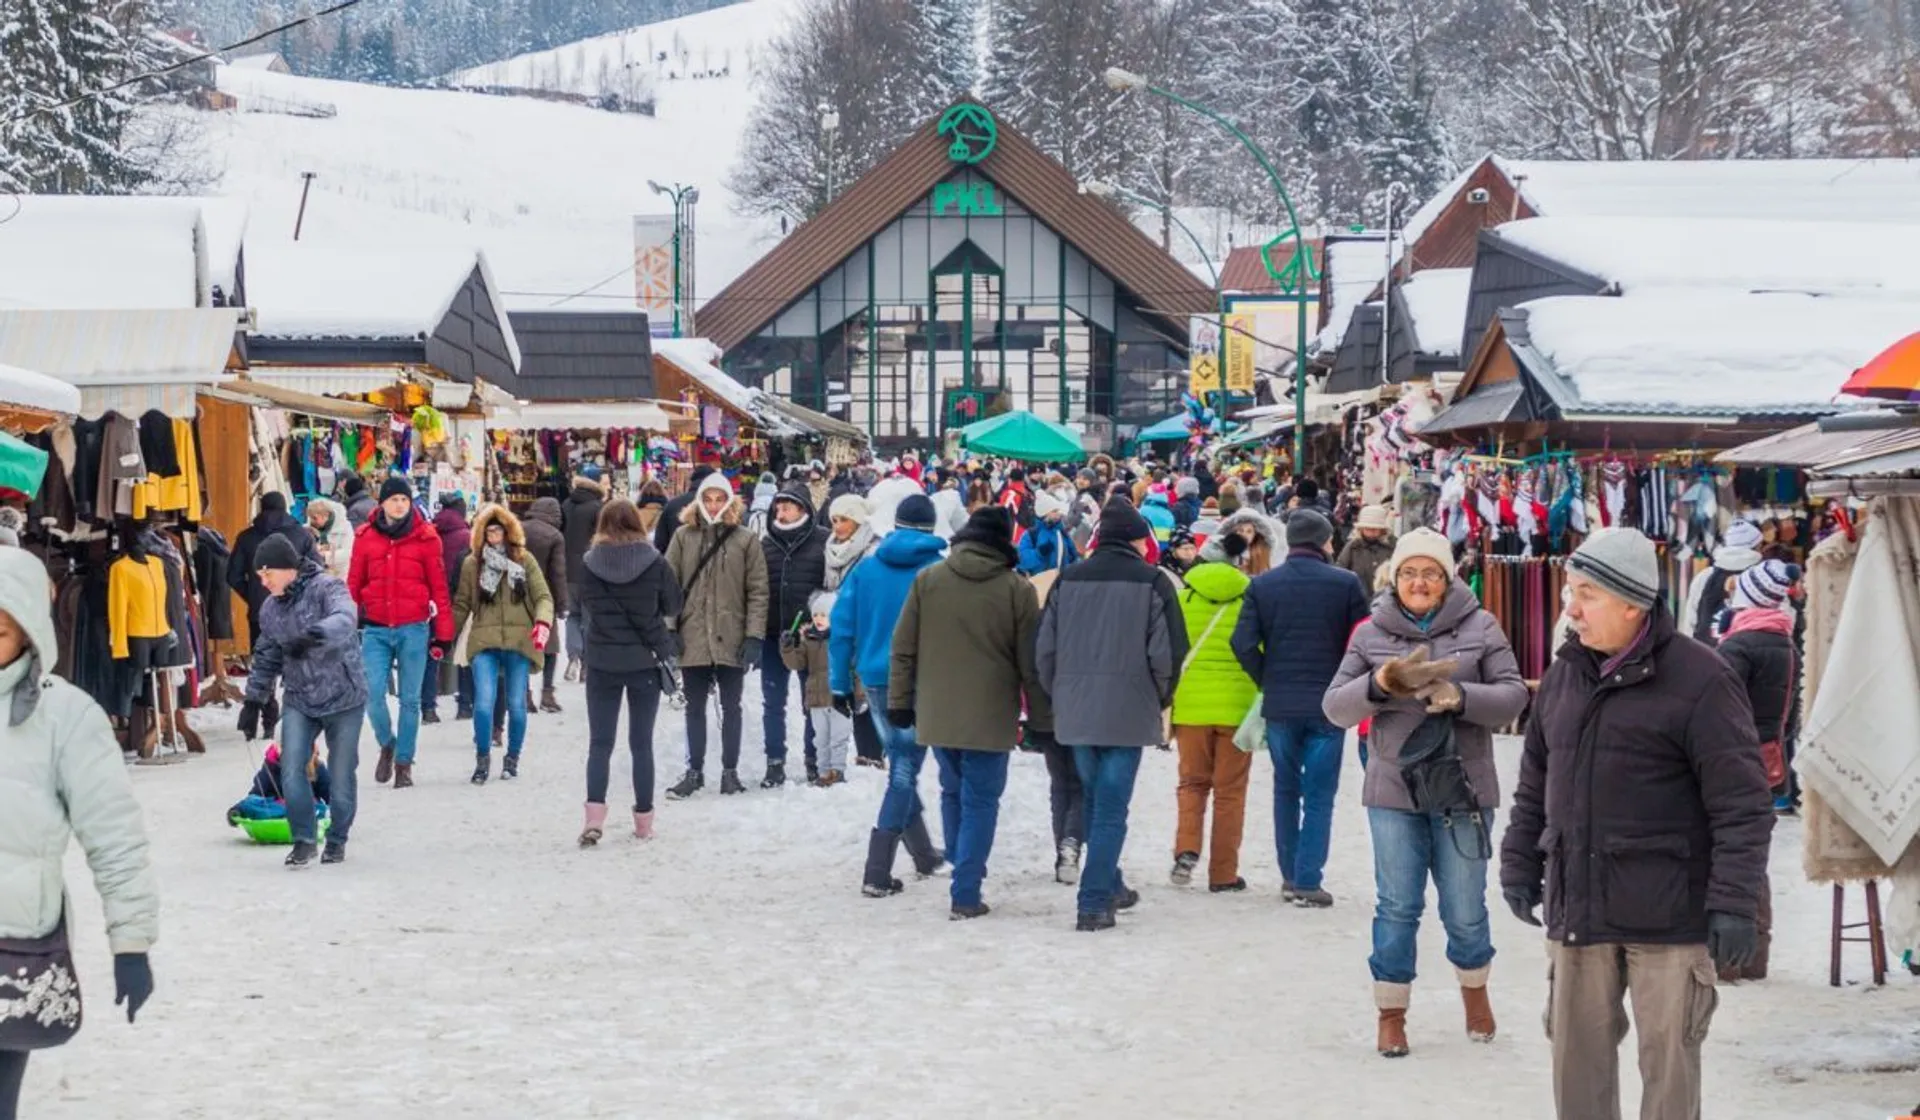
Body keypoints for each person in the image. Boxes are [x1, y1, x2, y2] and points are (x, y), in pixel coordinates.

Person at [1500, 528, 1773, 1120]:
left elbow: (1743, 804)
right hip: (1581, 909)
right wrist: (1521, 863)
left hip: (1668, 918)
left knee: (1669, 1072)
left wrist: (1733, 901)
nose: (1570, 608)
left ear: (1633, 603)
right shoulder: (1565, 674)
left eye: (1587, 594)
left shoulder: (1703, 679)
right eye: (1570, 591)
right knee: (1577, 1068)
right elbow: (1534, 783)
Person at [1322, 528, 1529, 1057]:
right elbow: (1334, 708)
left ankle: (1475, 988)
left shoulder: (1481, 626)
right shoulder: (1369, 634)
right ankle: (1391, 1012)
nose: (1419, 582)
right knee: (1397, 904)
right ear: (1394, 577)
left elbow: (1511, 697)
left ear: (1447, 579)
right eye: (1410, 572)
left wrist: (1460, 696)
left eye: (1430, 573)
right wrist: (1380, 685)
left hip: (1463, 786)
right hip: (1394, 787)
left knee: (1463, 905)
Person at [0, 549, 158, 1115]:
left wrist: (131, 943)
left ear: (29, 634)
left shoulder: (65, 718)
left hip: (12, 947)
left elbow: (113, 836)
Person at [888, 506, 1051, 920]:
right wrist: (1040, 719)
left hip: (937, 710)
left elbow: (904, 648)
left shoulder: (929, 580)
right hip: (991, 711)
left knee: (952, 790)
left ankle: (962, 872)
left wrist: (900, 702)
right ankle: (966, 889)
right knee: (982, 800)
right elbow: (1030, 664)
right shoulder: (1017, 589)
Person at [1036, 501, 1185, 931]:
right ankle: (1093, 901)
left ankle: (1112, 883)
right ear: (1138, 541)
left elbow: (1044, 649)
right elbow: (1170, 654)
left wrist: (1060, 692)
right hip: (1128, 706)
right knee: (1110, 809)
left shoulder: (1067, 579)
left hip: (1077, 707)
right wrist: (1157, 697)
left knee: (1098, 799)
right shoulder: (1155, 582)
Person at [1231, 508, 1370, 907]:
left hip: (1280, 704)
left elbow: (1241, 643)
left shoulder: (1264, 585)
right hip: (1329, 705)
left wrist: (1266, 678)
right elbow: (1362, 640)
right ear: (1324, 541)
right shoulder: (1344, 583)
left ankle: (1291, 875)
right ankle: (1309, 879)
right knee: (1320, 792)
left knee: (1286, 788)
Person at [835, 495, 950, 896]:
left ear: (896, 524)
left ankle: (922, 854)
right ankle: (876, 870)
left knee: (903, 763)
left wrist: (838, 682)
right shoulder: (938, 570)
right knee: (904, 770)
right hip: (922, 678)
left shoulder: (866, 568)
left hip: (874, 678)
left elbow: (841, 626)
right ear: (932, 528)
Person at [238, 533, 367, 866]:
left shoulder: (327, 588)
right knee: (291, 767)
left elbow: (346, 618)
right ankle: (304, 839)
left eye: (268, 574)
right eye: (260, 577)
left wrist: (314, 635)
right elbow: (266, 655)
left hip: (344, 695)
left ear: (287, 568)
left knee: (341, 773)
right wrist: (253, 701)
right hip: (300, 698)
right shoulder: (270, 609)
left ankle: (337, 839)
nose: (264, 583)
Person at [1167, 518, 1267, 894]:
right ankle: (1223, 873)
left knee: (1192, 783)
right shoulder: (1252, 598)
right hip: (1238, 710)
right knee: (1230, 791)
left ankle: (1186, 848)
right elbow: (1260, 649)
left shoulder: (1182, 598)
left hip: (1191, 705)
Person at [1711, 557, 1799, 981]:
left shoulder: (1739, 646)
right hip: (1767, 756)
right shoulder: (1782, 640)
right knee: (1751, 854)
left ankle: (1728, 960)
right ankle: (1756, 954)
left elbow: (1715, 704)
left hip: (1733, 758)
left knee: (1726, 853)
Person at [576, 499, 683, 846]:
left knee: (600, 743)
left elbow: (582, 606)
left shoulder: (590, 564)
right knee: (641, 744)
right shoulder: (655, 562)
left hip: (603, 661)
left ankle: (594, 818)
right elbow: (674, 605)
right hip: (643, 663)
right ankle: (643, 822)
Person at [664, 473, 768, 799]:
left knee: (731, 706)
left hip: (731, 635)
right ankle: (694, 771)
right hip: (693, 634)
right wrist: (669, 628)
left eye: (718, 498)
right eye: (707, 499)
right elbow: (668, 586)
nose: (713, 505)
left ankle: (730, 771)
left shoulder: (745, 540)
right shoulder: (683, 537)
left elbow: (758, 591)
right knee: (694, 707)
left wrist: (754, 636)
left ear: (729, 501)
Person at [347, 476, 454, 790]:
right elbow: (353, 585)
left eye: (404, 500)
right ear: (382, 503)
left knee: (410, 700)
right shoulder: (366, 537)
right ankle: (387, 742)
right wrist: (345, 623)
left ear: (410, 503)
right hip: (376, 629)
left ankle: (404, 763)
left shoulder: (426, 538)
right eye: (394, 499)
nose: (399, 505)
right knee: (371, 693)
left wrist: (444, 633)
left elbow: (439, 589)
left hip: (413, 628)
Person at [453, 506, 556, 785]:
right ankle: (483, 758)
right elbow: (462, 603)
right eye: (488, 530)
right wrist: (444, 635)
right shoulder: (473, 564)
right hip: (484, 640)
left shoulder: (524, 561)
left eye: (498, 529)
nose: (493, 535)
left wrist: (542, 623)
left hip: (519, 640)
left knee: (516, 704)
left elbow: (544, 596)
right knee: (484, 704)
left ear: (509, 531)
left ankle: (512, 758)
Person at [761, 486, 829, 786]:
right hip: (773, 634)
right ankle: (774, 762)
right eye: (778, 508)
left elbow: (830, 587)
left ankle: (814, 760)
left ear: (802, 509)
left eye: (787, 507)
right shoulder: (766, 544)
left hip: (809, 637)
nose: (781, 513)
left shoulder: (822, 541)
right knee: (773, 702)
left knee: (811, 701)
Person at [228, 491, 320, 649]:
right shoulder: (302, 535)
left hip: (260, 611)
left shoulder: (246, 537)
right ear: (285, 509)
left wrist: (251, 594)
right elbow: (316, 571)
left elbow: (233, 576)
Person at [782, 590, 851, 787]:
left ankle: (837, 771)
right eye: (815, 615)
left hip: (840, 699)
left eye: (824, 615)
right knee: (820, 739)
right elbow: (797, 663)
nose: (819, 619)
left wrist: (859, 695)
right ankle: (823, 773)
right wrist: (787, 648)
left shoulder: (844, 640)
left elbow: (855, 669)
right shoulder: (808, 640)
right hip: (816, 699)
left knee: (839, 737)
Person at [423, 494, 472, 725]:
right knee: (463, 653)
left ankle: (428, 708)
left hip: (432, 601)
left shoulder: (430, 531)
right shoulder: (465, 536)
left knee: (433, 654)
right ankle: (464, 705)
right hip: (458, 599)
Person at [521, 496, 570, 713]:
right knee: (550, 646)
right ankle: (547, 693)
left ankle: (525, 693)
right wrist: (561, 604)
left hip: (520, 595)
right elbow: (557, 573)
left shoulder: (519, 528)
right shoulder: (554, 536)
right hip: (545, 597)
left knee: (522, 645)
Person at [1680, 519, 1763, 645]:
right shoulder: (1763, 577)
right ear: (1756, 546)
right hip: (1750, 657)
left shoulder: (1705, 576)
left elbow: (1690, 623)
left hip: (1708, 656)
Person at [563, 466, 611, 681]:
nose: (608, 486)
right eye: (605, 481)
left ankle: (574, 656)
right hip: (592, 569)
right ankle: (586, 665)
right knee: (589, 618)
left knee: (573, 615)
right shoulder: (598, 508)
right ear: (595, 483)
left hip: (568, 570)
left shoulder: (566, 504)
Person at [1335, 504, 1396, 594]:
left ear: (1382, 530)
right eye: (1367, 529)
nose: (1371, 533)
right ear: (1361, 529)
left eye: (1375, 529)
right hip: (1357, 598)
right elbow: (1340, 570)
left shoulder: (1391, 547)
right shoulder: (1353, 547)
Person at [1016, 490, 1079, 575]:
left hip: (1062, 580)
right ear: (1044, 513)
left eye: (1058, 510)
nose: (1059, 514)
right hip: (1041, 583)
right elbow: (1021, 561)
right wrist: (1039, 553)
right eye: (1054, 511)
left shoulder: (1061, 532)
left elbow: (1074, 556)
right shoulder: (1031, 534)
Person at [304, 496, 354, 579]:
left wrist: (325, 556)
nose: (312, 521)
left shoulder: (345, 527)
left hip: (340, 575)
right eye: (310, 517)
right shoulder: (309, 528)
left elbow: (349, 553)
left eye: (315, 518)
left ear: (325, 515)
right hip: (318, 575)